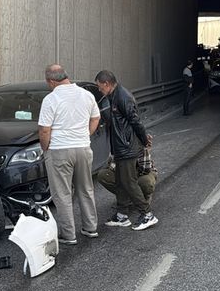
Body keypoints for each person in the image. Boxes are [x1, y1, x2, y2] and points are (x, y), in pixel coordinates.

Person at [38, 64, 101, 245]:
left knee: (62, 194)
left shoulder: (51, 99)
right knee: (86, 189)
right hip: (83, 148)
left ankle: (68, 234)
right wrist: (86, 134)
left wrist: (46, 148)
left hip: (59, 150)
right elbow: (96, 117)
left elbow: (44, 130)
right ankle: (90, 228)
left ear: (51, 81)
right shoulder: (86, 95)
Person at [94, 70, 157, 231]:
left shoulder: (123, 96)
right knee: (121, 181)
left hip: (127, 147)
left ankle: (147, 214)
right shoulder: (113, 96)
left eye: (100, 87)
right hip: (121, 147)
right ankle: (122, 215)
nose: (99, 90)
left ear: (107, 84)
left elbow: (135, 121)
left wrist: (144, 140)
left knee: (129, 182)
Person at [96, 148, 157, 213]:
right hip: (125, 172)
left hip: (141, 173)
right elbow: (111, 166)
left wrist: (129, 175)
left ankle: (144, 198)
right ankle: (126, 198)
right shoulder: (117, 143)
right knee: (103, 175)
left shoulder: (138, 143)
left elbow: (145, 169)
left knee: (145, 182)